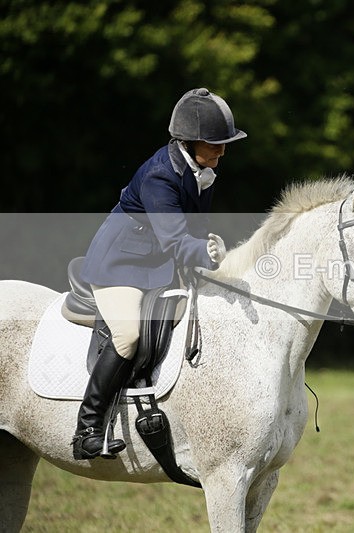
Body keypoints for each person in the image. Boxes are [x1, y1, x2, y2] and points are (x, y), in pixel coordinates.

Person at [72, 88, 247, 460]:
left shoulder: (199, 170)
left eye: (224, 143)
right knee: (128, 335)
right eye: (215, 143)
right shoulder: (158, 177)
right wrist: (207, 254)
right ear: (189, 140)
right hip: (119, 263)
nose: (222, 151)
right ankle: (87, 427)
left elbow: (194, 230)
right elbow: (175, 238)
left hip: (156, 264)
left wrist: (205, 257)